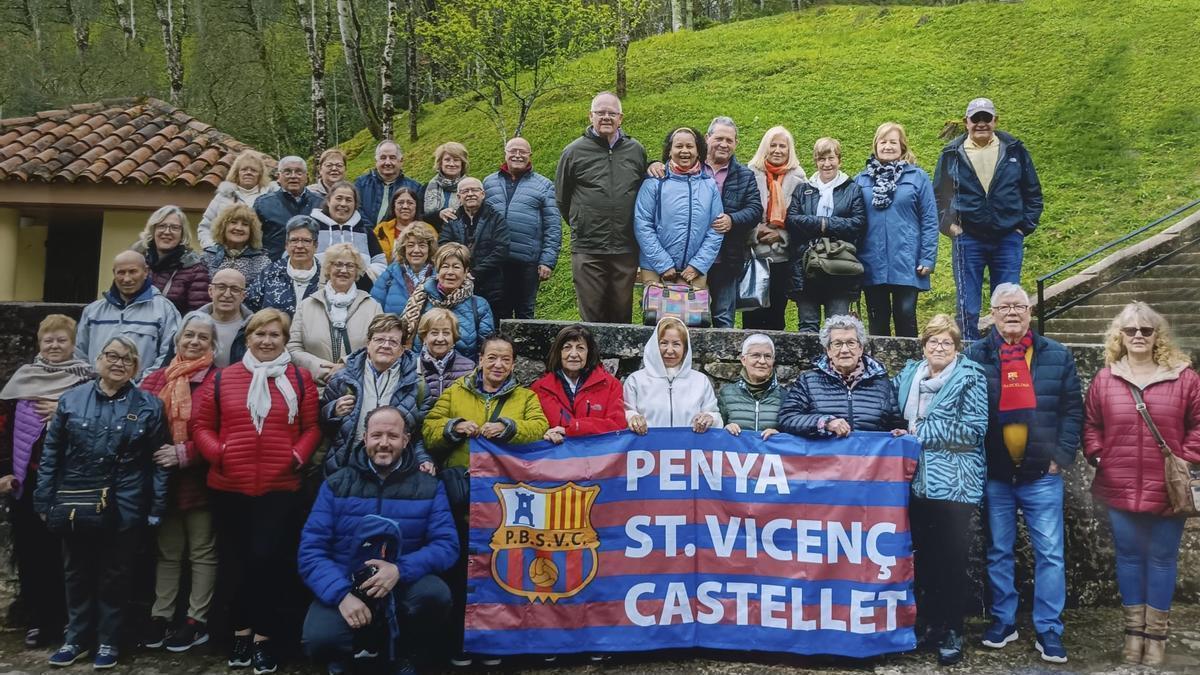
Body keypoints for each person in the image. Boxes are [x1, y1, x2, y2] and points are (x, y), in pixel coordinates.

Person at [191, 308, 322, 673]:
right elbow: (202, 426)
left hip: (280, 488)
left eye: (274, 335)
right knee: (235, 565)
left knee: (269, 563)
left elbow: (313, 427)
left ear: (284, 340)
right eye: (259, 334)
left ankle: (266, 638)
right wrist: (219, 452)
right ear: (247, 338)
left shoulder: (300, 380)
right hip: (229, 487)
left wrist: (297, 454)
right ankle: (240, 632)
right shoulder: (223, 379)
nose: (266, 341)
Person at [963, 283, 1082, 664]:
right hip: (997, 474)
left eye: (1019, 306)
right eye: (1004, 307)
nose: (1012, 313)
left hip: (1041, 474)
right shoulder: (975, 356)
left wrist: (1060, 457)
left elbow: (1072, 411)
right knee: (999, 551)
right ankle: (1004, 619)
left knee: (1050, 553)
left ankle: (1049, 627)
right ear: (992, 314)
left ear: (1030, 312)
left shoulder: (1056, 355)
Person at [35, 336, 169, 669]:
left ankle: (109, 640)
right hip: (76, 497)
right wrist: (44, 498)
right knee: (76, 571)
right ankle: (76, 638)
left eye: (127, 359)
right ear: (98, 359)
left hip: (126, 499)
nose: (118, 363)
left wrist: (155, 507)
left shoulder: (150, 405)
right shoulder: (71, 400)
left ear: (136, 367)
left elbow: (158, 460)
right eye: (112, 356)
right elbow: (51, 454)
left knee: (116, 573)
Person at [1083, 302, 1200, 666]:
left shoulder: (1185, 378)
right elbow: (1091, 425)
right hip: (1119, 484)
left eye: (1146, 330)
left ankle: (1157, 638)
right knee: (1130, 558)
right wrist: (1099, 455)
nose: (1137, 336)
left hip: (1167, 485)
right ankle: (1133, 634)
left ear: (1157, 336)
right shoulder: (1106, 377)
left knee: (1162, 560)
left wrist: (1186, 456)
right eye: (1130, 330)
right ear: (1119, 335)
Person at [299, 406, 457, 675]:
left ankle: (404, 653)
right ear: (365, 438)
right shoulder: (337, 483)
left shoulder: (429, 486)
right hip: (347, 583)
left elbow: (447, 545)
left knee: (435, 595)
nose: (384, 443)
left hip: (402, 582)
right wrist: (340, 594)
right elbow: (311, 551)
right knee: (320, 639)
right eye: (377, 435)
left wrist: (400, 569)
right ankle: (346, 654)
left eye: (393, 436)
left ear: (406, 440)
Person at [422, 334, 548, 667]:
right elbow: (429, 430)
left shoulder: (524, 396)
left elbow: (539, 427)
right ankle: (457, 641)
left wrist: (507, 428)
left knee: (500, 570)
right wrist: (454, 426)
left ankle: (494, 641)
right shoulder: (456, 392)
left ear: (513, 362)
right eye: (492, 357)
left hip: (504, 497)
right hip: (460, 493)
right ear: (480, 359)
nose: (498, 365)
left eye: (505, 359)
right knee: (462, 567)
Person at [894, 313, 988, 666]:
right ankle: (929, 624)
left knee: (951, 560)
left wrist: (920, 436)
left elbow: (974, 430)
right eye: (933, 340)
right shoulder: (909, 376)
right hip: (916, 483)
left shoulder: (970, 377)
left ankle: (952, 629)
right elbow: (895, 415)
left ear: (956, 347)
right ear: (923, 345)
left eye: (946, 342)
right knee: (924, 559)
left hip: (954, 486)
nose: (938, 346)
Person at [0, 315, 92, 650]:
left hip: (69, 484)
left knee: (68, 556)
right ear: (39, 344)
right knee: (31, 554)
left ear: (73, 343)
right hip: (27, 482)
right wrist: (4, 471)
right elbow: (5, 432)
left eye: (61, 340)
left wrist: (64, 410)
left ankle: (70, 621)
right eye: (48, 340)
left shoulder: (86, 383)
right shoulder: (21, 381)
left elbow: (97, 428)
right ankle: (40, 620)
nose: (54, 346)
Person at [138, 312, 222, 653]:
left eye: (203, 337)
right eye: (189, 335)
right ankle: (161, 616)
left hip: (200, 479)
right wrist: (158, 454)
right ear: (177, 340)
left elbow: (224, 429)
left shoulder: (220, 380)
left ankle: (195, 620)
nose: (194, 342)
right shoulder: (156, 380)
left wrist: (185, 453)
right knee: (168, 552)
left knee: (202, 551)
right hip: (162, 482)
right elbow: (137, 424)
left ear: (213, 345)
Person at [934, 98, 1044, 341]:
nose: (981, 123)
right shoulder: (951, 153)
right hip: (967, 239)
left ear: (995, 120)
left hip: (1007, 238)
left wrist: (1023, 227)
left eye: (986, 118)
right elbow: (939, 196)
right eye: (976, 119)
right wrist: (950, 227)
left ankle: (1004, 353)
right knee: (967, 305)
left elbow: (1032, 192)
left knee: (1007, 304)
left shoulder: (1015, 150)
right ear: (966, 122)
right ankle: (970, 354)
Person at [556, 91, 649, 324]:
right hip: (588, 248)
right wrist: (582, 222)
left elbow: (642, 190)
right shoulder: (573, 152)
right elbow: (562, 198)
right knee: (592, 314)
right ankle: (593, 361)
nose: (606, 117)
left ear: (621, 118)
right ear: (590, 116)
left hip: (625, 246)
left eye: (611, 113)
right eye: (600, 112)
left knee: (621, 312)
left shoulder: (636, 150)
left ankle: (621, 361)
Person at [855, 122, 938, 338]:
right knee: (877, 319)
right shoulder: (861, 180)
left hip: (907, 260)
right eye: (883, 142)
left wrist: (927, 258)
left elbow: (929, 220)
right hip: (871, 259)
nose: (888, 146)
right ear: (875, 146)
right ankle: (879, 367)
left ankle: (910, 366)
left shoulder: (918, 177)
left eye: (893, 142)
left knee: (905, 314)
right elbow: (854, 221)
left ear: (902, 146)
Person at [320, 314, 431, 475]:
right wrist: (333, 411)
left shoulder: (417, 386)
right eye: (379, 339)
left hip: (394, 472)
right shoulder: (342, 379)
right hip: (345, 468)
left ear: (402, 350)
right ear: (368, 344)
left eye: (393, 342)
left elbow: (420, 435)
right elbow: (321, 425)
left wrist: (423, 459)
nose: (385, 345)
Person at [777, 315, 906, 437]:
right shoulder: (808, 381)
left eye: (851, 343)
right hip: (825, 459)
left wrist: (900, 433)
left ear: (860, 348)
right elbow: (787, 418)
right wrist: (825, 423)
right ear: (828, 350)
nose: (844, 350)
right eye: (837, 344)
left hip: (869, 459)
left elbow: (896, 425)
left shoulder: (881, 383)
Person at [787, 138, 867, 333]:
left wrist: (824, 223)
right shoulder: (803, 189)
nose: (827, 164)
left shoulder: (852, 189)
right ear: (815, 161)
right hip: (807, 267)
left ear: (839, 160)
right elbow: (793, 221)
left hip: (839, 266)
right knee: (807, 326)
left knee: (838, 328)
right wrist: (823, 223)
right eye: (821, 159)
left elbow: (858, 223)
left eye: (831, 158)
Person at [633, 127, 724, 293]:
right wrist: (663, 264)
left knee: (692, 317)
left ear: (698, 151)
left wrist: (697, 265)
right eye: (679, 146)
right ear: (669, 151)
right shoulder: (654, 183)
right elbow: (642, 225)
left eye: (690, 146)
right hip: (655, 268)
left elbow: (716, 228)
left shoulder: (709, 185)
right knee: (658, 317)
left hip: (694, 271)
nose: (684, 151)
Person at [483, 137, 563, 319]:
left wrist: (547, 261)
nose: (517, 155)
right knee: (496, 311)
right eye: (513, 151)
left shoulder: (544, 185)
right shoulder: (488, 183)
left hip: (527, 263)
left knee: (524, 313)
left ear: (530, 155)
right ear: (505, 153)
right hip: (495, 261)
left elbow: (553, 226)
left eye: (522, 152)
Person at [75, 250, 182, 380]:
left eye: (132, 271)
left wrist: (142, 388)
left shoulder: (165, 310)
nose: (126, 278)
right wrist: (93, 387)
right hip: (95, 392)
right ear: (114, 273)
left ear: (146, 272)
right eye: (121, 272)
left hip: (142, 394)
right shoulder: (93, 311)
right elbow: (79, 354)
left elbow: (169, 356)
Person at [288, 243, 383, 387]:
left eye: (350, 266)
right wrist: (322, 369)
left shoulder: (372, 306)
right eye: (337, 264)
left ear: (357, 271)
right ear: (328, 268)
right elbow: (293, 348)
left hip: (357, 389)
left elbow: (379, 347)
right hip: (313, 388)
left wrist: (346, 366)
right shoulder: (306, 305)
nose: (343, 270)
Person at [699, 117, 763, 328]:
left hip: (727, 258)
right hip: (691, 259)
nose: (724, 144)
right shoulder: (693, 168)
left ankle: (719, 362)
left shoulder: (745, 175)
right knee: (689, 317)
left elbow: (755, 210)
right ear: (708, 138)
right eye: (719, 138)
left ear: (736, 143)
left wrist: (732, 220)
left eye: (729, 140)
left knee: (723, 319)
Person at [743, 126, 806, 330]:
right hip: (753, 255)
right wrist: (756, 232)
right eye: (773, 145)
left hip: (782, 257)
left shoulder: (799, 178)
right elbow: (741, 208)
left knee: (777, 313)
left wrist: (780, 235)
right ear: (765, 147)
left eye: (783, 146)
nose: (778, 150)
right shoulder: (749, 173)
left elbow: (803, 217)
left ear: (790, 150)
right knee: (751, 312)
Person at [623, 317, 721, 434]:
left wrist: (710, 418)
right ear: (654, 346)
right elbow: (624, 413)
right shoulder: (636, 380)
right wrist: (632, 417)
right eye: (664, 343)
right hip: (648, 449)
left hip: (690, 450)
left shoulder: (700, 381)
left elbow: (716, 417)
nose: (669, 350)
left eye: (676, 344)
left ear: (685, 349)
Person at [531, 324, 626, 442]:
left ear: (589, 353)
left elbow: (618, 425)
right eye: (567, 347)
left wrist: (576, 427)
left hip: (598, 457)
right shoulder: (540, 388)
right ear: (559, 352)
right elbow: (535, 426)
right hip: (556, 457)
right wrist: (544, 434)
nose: (574, 354)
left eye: (580, 348)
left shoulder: (611, 385)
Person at [399, 243, 495, 360]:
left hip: (465, 374)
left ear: (466, 272)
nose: (450, 272)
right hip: (422, 374)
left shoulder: (479, 305)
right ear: (437, 271)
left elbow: (486, 349)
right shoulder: (419, 300)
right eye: (445, 266)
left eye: (456, 267)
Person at [437, 176, 509, 312]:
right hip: (457, 285)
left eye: (474, 190)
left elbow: (501, 250)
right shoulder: (452, 220)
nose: (470, 194)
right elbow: (444, 246)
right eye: (465, 191)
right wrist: (461, 271)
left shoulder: (496, 218)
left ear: (482, 194)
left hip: (491, 284)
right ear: (459, 197)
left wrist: (474, 273)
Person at [133, 205, 211, 315]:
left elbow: (198, 315)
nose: (167, 232)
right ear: (153, 230)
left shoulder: (195, 270)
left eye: (174, 228)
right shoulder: (137, 261)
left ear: (182, 234)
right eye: (161, 226)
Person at [198, 151, 278, 249]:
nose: (248, 172)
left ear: (260, 174)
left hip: (259, 257)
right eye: (244, 169)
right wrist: (211, 247)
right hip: (222, 256)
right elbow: (205, 226)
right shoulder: (223, 196)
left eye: (253, 170)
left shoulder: (271, 198)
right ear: (237, 173)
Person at [246, 215, 323, 315]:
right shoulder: (269, 273)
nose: (299, 246)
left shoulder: (325, 277)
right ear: (286, 245)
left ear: (316, 245)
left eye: (306, 241)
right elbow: (250, 307)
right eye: (294, 240)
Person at [312, 181, 388, 282]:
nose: (343, 204)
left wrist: (365, 278)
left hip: (359, 292)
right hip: (318, 291)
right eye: (339, 198)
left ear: (355, 205)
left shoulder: (366, 232)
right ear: (329, 201)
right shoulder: (311, 228)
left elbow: (380, 263)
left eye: (348, 200)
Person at [254, 155, 325, 260]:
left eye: (299, 172)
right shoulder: (263, 204)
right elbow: (253, 239)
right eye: (287, 172)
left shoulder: (321, 203)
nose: (293, 176)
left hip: (313, 266)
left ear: (307, 177)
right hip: (273, 265)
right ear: (279, 176)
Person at [718, 334, 783, 439]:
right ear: (743, 360)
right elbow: (714, 434)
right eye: (756, 355)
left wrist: (781, 435)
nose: (762, 361)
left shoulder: (785, 396)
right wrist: (725, 429)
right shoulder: (726, 394)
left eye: (767, 356)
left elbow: (794, 436)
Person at [372, 222, 438, 315]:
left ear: (429, 249)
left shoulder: (438, 276)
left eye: (422, 245)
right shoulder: (389, 274)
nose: (416, 250)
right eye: (410, 245)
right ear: (404, 249)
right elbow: (374, 310)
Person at [355, 140, 424, 228]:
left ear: (401, 161)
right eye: (383, 158)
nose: (387, 162)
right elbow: (356, 209)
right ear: (376, 161)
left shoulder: (414, 188)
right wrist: (371, 233)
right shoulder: (361, 184)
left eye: (392, 158)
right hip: (364, 235)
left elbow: (417, 217)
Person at [416, 308, 475, 404]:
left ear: (454, 337)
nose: (440, 338)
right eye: (434, 333)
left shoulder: (469, 368)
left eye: (446, 333)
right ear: (424, 337)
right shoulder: (412, 366)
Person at [200, 204, 272, 282]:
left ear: (252, 231)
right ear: (223, 227)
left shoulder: (261, 261)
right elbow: (200, 289)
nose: (238, 228)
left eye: (245, 224)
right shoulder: (207, 257)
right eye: (233, 222)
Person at [373, 187, 424, 263]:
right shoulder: (381, 229)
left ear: (416, 206)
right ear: (393, 206)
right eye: (400, 203)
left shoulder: (427, 230)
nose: (405, 206)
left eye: (410, 203)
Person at [424, 142, 469, 223]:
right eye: (447, 160)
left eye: (456, 160)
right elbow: (419, 217)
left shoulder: (471, 187)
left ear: (462, 163)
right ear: (440, 163)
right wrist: (438, 215)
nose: (451, 164)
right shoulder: (426, 187)